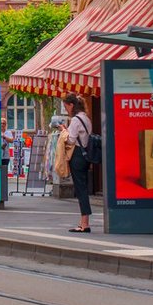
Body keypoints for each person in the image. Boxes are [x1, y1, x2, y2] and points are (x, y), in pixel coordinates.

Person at [60, 95, 93, 232]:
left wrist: (63, 132)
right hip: (86, 155)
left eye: (66, 106)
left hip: (78, 155)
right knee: (82, 187)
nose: (66, 109)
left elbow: (71, 140)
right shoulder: (86, 118)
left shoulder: (75, 120)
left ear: (71, 105)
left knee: (81, 189)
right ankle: (84, 222)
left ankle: (84, 223)